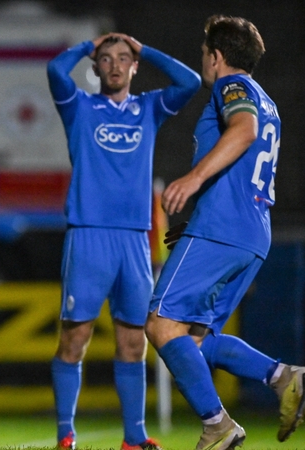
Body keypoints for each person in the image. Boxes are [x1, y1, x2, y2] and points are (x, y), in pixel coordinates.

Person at [145, 14, 305, 450]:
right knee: (195, 341)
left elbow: (243, 130)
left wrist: (192, 180)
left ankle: (217, 427)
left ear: (216, 57)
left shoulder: (230, 87)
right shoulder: (267, 99)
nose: (205, 61)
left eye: (205, 54)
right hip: (250, 232)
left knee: (161, 326)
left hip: (224, 227)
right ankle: (282, 377)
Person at [46, 32, 201, 450]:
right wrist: (86, 46)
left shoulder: (148, 108)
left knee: (134, 343)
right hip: (89, 236)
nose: (115, 65)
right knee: (74, 339)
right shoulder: (79, 106)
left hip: (134, 241)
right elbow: (54, 70)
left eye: (124, 59)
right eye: (107, 59)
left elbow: (189, 82)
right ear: (96, 68)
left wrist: (146, 49)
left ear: (134, 67)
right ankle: (66, 434)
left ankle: (133, 437)